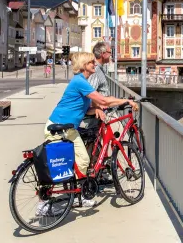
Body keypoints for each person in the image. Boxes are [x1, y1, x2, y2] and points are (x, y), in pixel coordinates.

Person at [43, 51, 137, 209]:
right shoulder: (79, 81)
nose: (94, 64)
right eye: (91, 62)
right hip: (59, 127)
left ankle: (78, 194)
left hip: (67, 128)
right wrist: (125, 101)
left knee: (80, 160)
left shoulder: (82, 82)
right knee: (59, 163)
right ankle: (44, 202)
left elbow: (85, 108)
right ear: (83, 66)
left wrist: (96, 110)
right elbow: (103, 100)